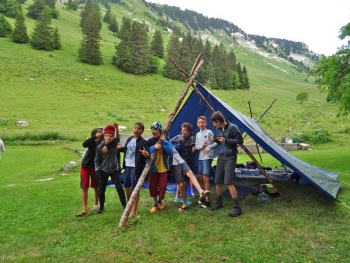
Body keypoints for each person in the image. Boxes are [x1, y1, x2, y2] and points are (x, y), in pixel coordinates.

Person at [210, 111, 244, 217]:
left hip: (230, 157)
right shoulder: (218, 129)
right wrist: (215, 139)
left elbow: (240, 141)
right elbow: (221, 141)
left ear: (218, 121)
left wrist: (227, 140)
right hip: (221, 156)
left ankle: (237, 208)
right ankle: (219, 203)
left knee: (229, 181)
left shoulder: (233, 127)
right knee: (217, 181)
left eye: (214, 123)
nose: (213, 125)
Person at [94, 124, 126, 214]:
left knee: (119, 187)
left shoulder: (115, 145)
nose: (108, 138)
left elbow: (117, 142)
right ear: (104, 136)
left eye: (110, 136)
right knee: (101, 190)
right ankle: (101, 207)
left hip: (114, 170)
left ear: (113, 137)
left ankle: (125, 206)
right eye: (107, 136)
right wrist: (97, 170)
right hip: (103, 170)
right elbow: (96, 160)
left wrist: (119, 166)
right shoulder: (99, 147)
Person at [118, 122, 148, 217]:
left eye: (139, 129)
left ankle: (134, 210)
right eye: (135, 128)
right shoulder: (129, 139)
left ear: (142, 131)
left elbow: (147, 154)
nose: (136, 130)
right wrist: (120, 148)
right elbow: (128, 150)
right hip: (127, 166)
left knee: (135, 189)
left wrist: (146, 154)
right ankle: (129, 204)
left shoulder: (143, 142)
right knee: (126, 186)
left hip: (136, 168)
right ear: (132, 129)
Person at [171, 147, 210, 212]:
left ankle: (201, 191)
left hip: (181, 160)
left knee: (191, 173)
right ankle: (184, 203)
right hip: (173, 163)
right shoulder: (158, 142)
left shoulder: (167, 139)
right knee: (181, 184)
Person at [147, 122, 173, 213]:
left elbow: (170, 152)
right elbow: (147, 153)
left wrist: (164, 141)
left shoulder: (166, 140)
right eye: (152, 130)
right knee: (153, 186)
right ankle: (155, 204)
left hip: (163, 168)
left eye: (155, 130)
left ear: (160, 131)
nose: (153, 131)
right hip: (153, 169)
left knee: (162, 186)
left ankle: (159, 201)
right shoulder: (150, 141)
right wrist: (153, 147)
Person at [76, 128, 103, 217]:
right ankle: (84, 209)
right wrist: (95, 136)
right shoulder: (91, 143)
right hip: (86, 166)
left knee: (96, 186)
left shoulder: (104, 143)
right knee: (84, 187)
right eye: (98, 133)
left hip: (96, 167)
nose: (100, 134)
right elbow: (84, 144)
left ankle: (96, 204)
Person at [195, 116, 218, 209]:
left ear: (206, 123)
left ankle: (208, 201)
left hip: (207, 157)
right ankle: (203, 196)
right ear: (197, 124)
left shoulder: (209, 132)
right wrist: (202, 145)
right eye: (199, 122)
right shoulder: (197, 134)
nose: (201, 124)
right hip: (200, 158)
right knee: (200, 178)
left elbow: (216, 142)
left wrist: (208, 148)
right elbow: (196, 146)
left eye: (203, 122)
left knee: (206, 178)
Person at [170, 122, 196, 200]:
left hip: (189, 161)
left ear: (189, 131)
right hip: (181, 161)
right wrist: (179, 143)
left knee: (186, 180)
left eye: (184, 130)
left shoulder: (193, 138)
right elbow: (169, 144)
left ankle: (181, 196)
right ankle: (178, 196)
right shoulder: (178, 137)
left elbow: (194, 149)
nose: (183, 132)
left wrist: (194, 150)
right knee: (182, 180)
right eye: (182, 130)